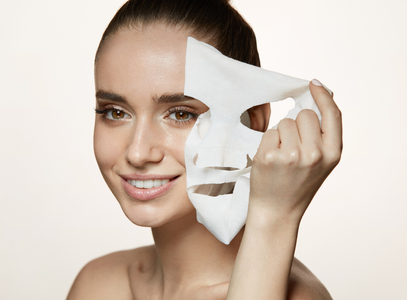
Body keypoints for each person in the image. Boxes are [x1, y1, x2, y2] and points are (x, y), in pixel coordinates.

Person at [67, 0, 342, 299]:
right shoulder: (98, 284)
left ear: (254, 119)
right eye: (116, 112)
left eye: (181, 114)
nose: (137, 152)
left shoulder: (299, 296)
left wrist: (274, 215)